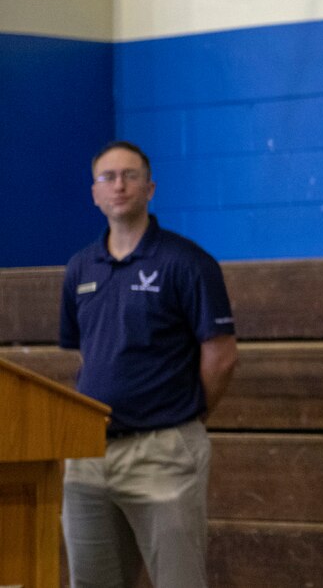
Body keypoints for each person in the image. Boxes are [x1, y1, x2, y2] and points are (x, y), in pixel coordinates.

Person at [58, 140, 238, 588]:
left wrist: (183, 420)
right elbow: (87, 353)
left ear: (150, 188)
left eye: (130, 175)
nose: (119, 185)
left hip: (164, 454)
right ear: (95, 193)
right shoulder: (80, 268)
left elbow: (221, 356)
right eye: (108, 177)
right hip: (87, 457)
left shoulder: (187, 262)